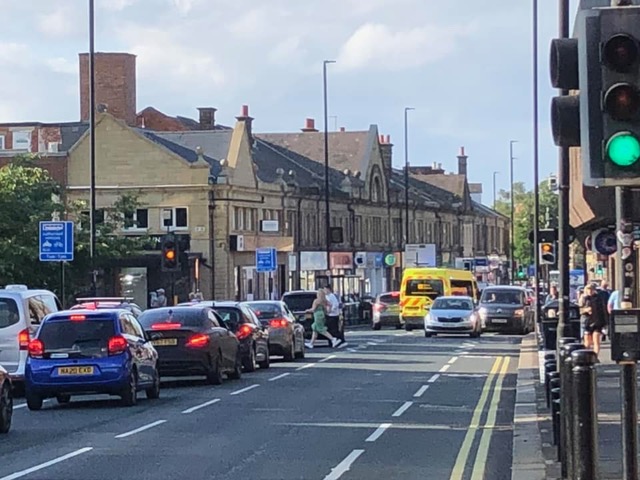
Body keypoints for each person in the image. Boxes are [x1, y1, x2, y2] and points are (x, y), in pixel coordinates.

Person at [578, 283, 606, 357]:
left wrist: (604, 322)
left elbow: (602, 310)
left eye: (591, 289)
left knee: (596, 340)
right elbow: (579, 310)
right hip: (586, 322)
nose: (590, 291)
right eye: (588, 289)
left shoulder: (598, 298)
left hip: (597, 322)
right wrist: (586, 310)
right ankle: (587, 357)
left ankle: (595, 357)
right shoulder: (583, 298)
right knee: (587, 342)